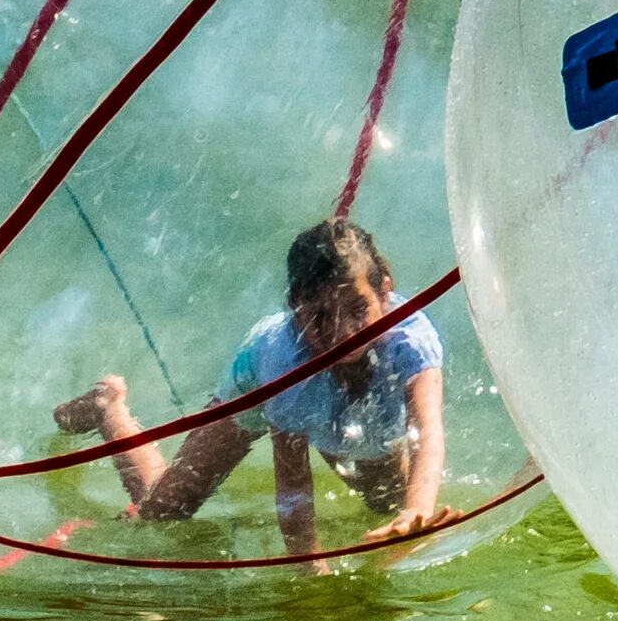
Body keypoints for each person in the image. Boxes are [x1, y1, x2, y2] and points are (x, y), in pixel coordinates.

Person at [51, 217, 447, 557]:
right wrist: (311, 570)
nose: (342, 333)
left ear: (385, 292)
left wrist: (418, 509)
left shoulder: (410, 342)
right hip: (256, 388)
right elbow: (293, 486)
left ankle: (400, 504)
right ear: (295, 306)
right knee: (166, 509)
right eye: (320, 316)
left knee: (389, 503)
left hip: (336, 401)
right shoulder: (282, 363)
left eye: (358, 310)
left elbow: (427, 430)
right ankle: (108, 407)